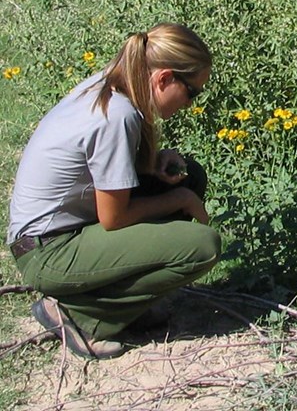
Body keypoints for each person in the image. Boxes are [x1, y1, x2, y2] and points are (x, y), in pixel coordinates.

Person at [7, 23, 221, 359]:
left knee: (188, 175)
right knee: (203, 247)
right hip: (49, 253)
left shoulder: (113, 83)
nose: (191, 103)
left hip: (58, 232)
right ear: (164, 78)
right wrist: (179, 199)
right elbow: (114, 218)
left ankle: (121, 305)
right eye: (192, 92)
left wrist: (152, 164)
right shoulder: (117, 115)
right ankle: (83, 316)